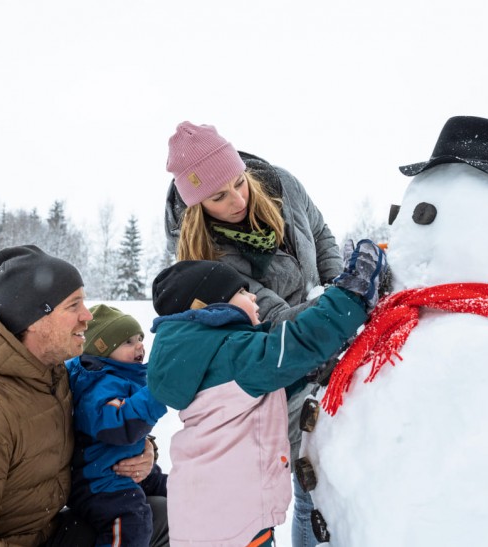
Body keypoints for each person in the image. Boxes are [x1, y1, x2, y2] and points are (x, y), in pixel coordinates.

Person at [164, 121, 343, 546]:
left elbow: (320, 234)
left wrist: (336, 285)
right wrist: (347, 304)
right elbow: (278, 322)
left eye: (239, 184)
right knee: (308, 488)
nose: (237, 199)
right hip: (279, 375)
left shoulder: (282, 185)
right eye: (218, 197)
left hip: (330, 345)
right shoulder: (208, 259)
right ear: (196, 206)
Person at [0, 245, 153, 547]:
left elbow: (97, 423)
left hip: (39, 532)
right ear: (35, 319)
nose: (87, 316)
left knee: (156, 513)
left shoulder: (54, 376)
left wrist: (145, 450)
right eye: (73, 306)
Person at [147, 245, 386, 546]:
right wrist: (353, 295)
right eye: (241, 293)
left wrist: (303, 375)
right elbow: (300, 342)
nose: (253, 297)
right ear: (206, 306)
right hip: (230, 522)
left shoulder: (205, 357)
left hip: (213, 517)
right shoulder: (233, 352)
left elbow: (244, 400)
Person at [66, 304, 169, 547]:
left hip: (122, 466)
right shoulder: (97, 384)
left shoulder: (123, 376)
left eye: (140, 339)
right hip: (100, 479)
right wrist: (156, 394)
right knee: (132, 519)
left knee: (176, 489)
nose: (139, 346)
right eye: (128, 342)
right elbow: (117, 425)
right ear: (102, 350)